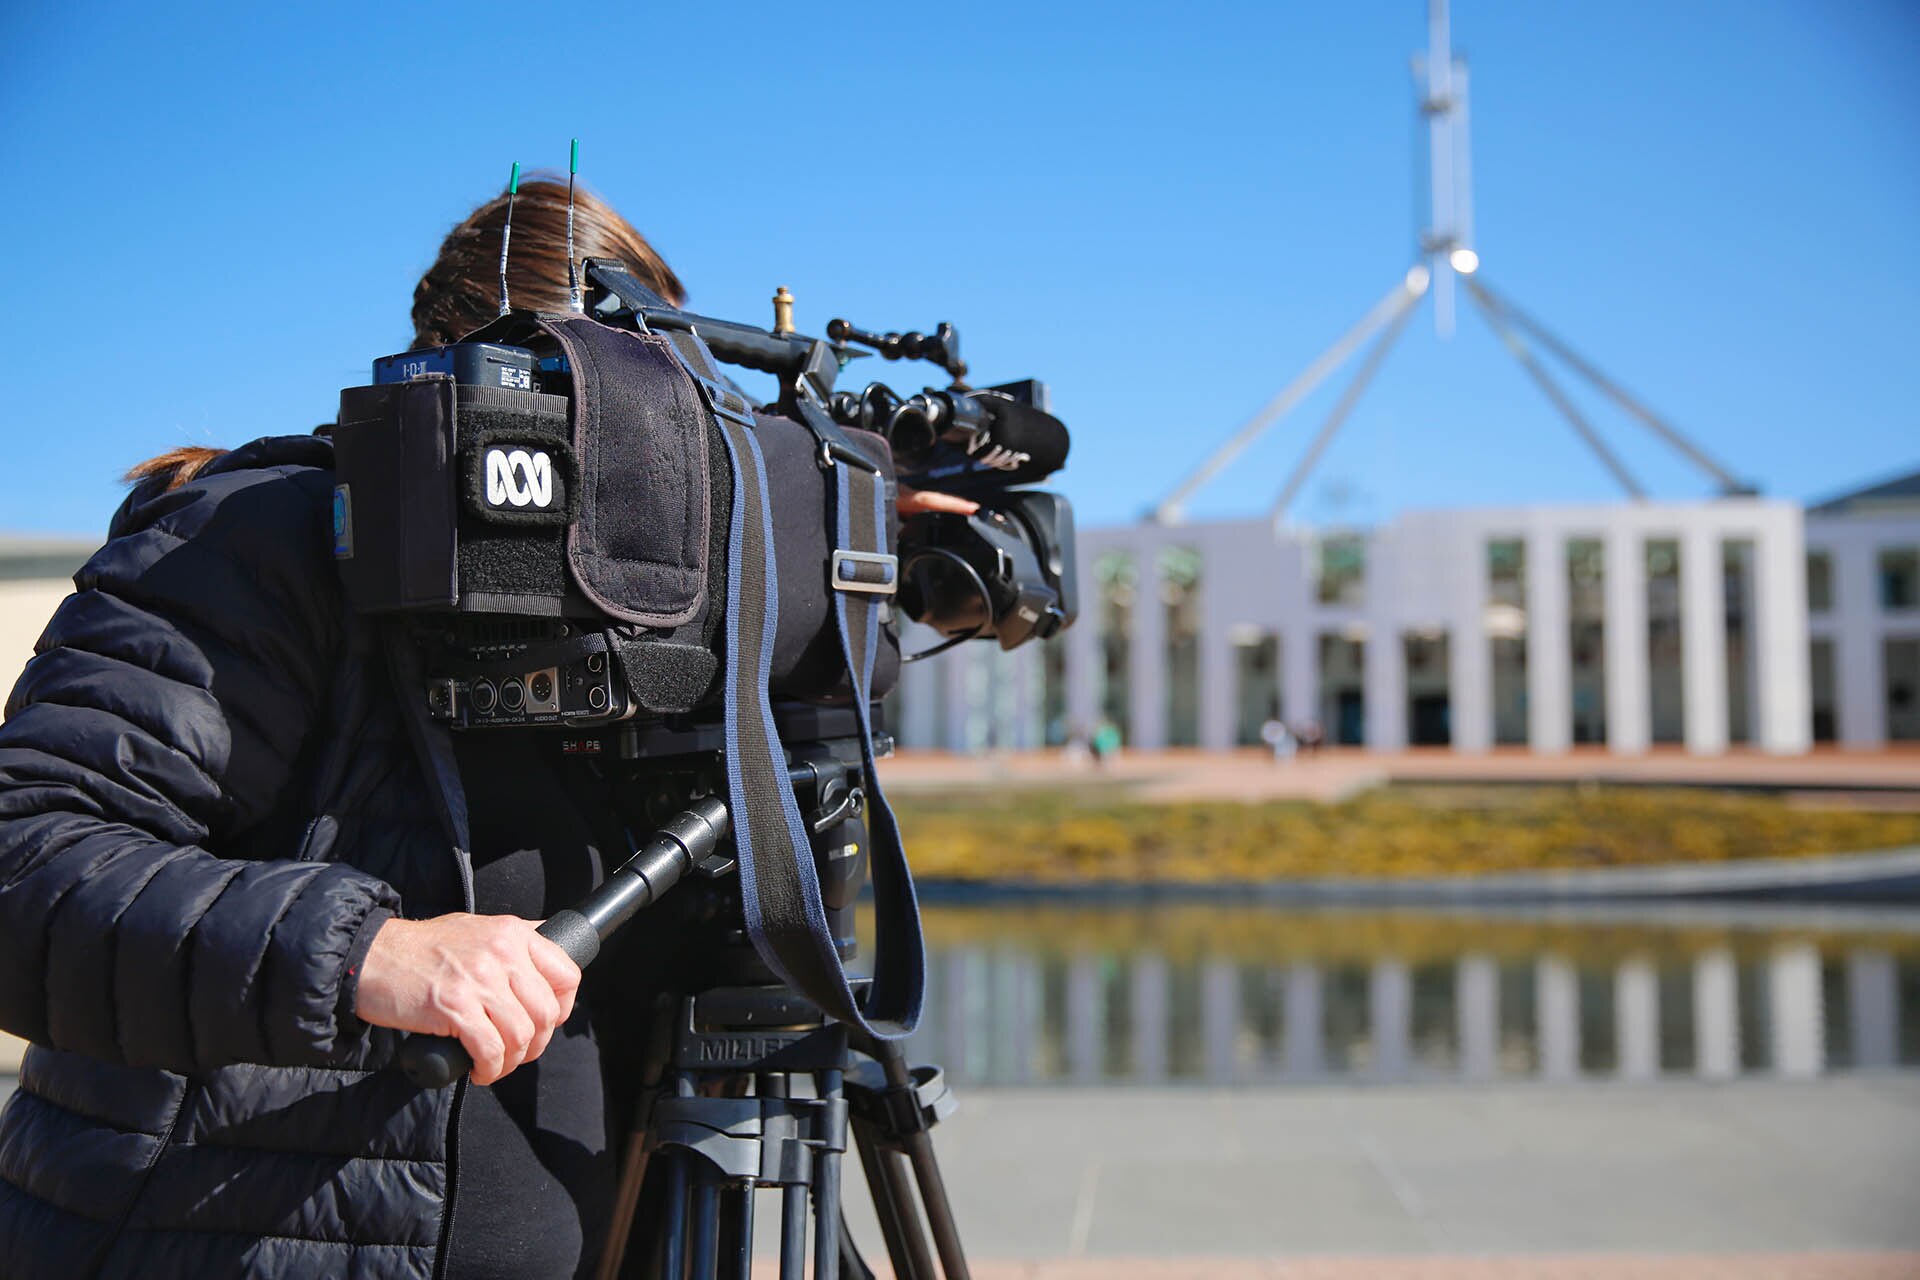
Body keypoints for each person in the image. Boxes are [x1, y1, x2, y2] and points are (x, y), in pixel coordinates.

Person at [0, 177, 957, 1279]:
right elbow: (31, 854)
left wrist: (848, 539)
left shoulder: (669, 608)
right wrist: (370, 951)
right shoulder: (266, 536)